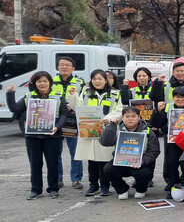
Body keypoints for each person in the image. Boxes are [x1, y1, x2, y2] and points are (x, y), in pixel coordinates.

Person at [6, 71, 68, 199]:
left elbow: (63, 114)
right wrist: (10, 94)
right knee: (35, 164)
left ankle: (53, 189)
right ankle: (35, 189)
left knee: (53, 163)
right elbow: (15, 109)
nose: (42, 84)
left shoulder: (58, 96)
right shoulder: (29, 96)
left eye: (45, 81)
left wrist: (57, 127)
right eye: (39, 81)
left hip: (52, 135)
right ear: (35, 83)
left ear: (50, 82)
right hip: (33, 136)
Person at [67, 69, 123, 197]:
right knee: (91, 160)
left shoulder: (115, 94)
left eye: (100, 79)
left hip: (106, 130)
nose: (97, 81)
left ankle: (104, 185)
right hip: (89, 130)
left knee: (104, 159)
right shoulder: (86, 92)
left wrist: (108, 119)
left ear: (105, 80)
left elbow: (120, 110)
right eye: (94, 79)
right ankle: (93, 185)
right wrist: (73, 95)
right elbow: (77, 107)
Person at [151, 86, 184, 198]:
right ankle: (173, 185)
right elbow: (156, 123)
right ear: (173, 97)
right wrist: (158, 112)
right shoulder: (166, 107)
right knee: (171, 163)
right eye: (177, 97)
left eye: (183, 97)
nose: (180, 99)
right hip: (172, 141)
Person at [100, 106, 160, 200]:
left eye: (133, 116)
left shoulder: (148, 131)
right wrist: (111, 126)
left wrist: (143, 161)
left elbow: (154, 150)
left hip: (140, 163)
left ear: (139, 117)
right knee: (108, 169)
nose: (130, 119)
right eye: (127, 116)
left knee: (145, 173)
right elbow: (105, 142)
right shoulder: (117, 128)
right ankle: (122, 189)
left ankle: (141, 189)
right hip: (121, 162)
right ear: (122, 118)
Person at [52, 56, 85, 189]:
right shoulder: (51, 81)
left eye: (67, 65)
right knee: (55, 151)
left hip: (72, 119)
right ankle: (58, 179)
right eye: (62, 65)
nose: (64, 67)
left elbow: (83, 99)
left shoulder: (80, 82)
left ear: (73, 68)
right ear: (58, 67)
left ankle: (76, 179)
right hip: (56, 119)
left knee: (75, 151)